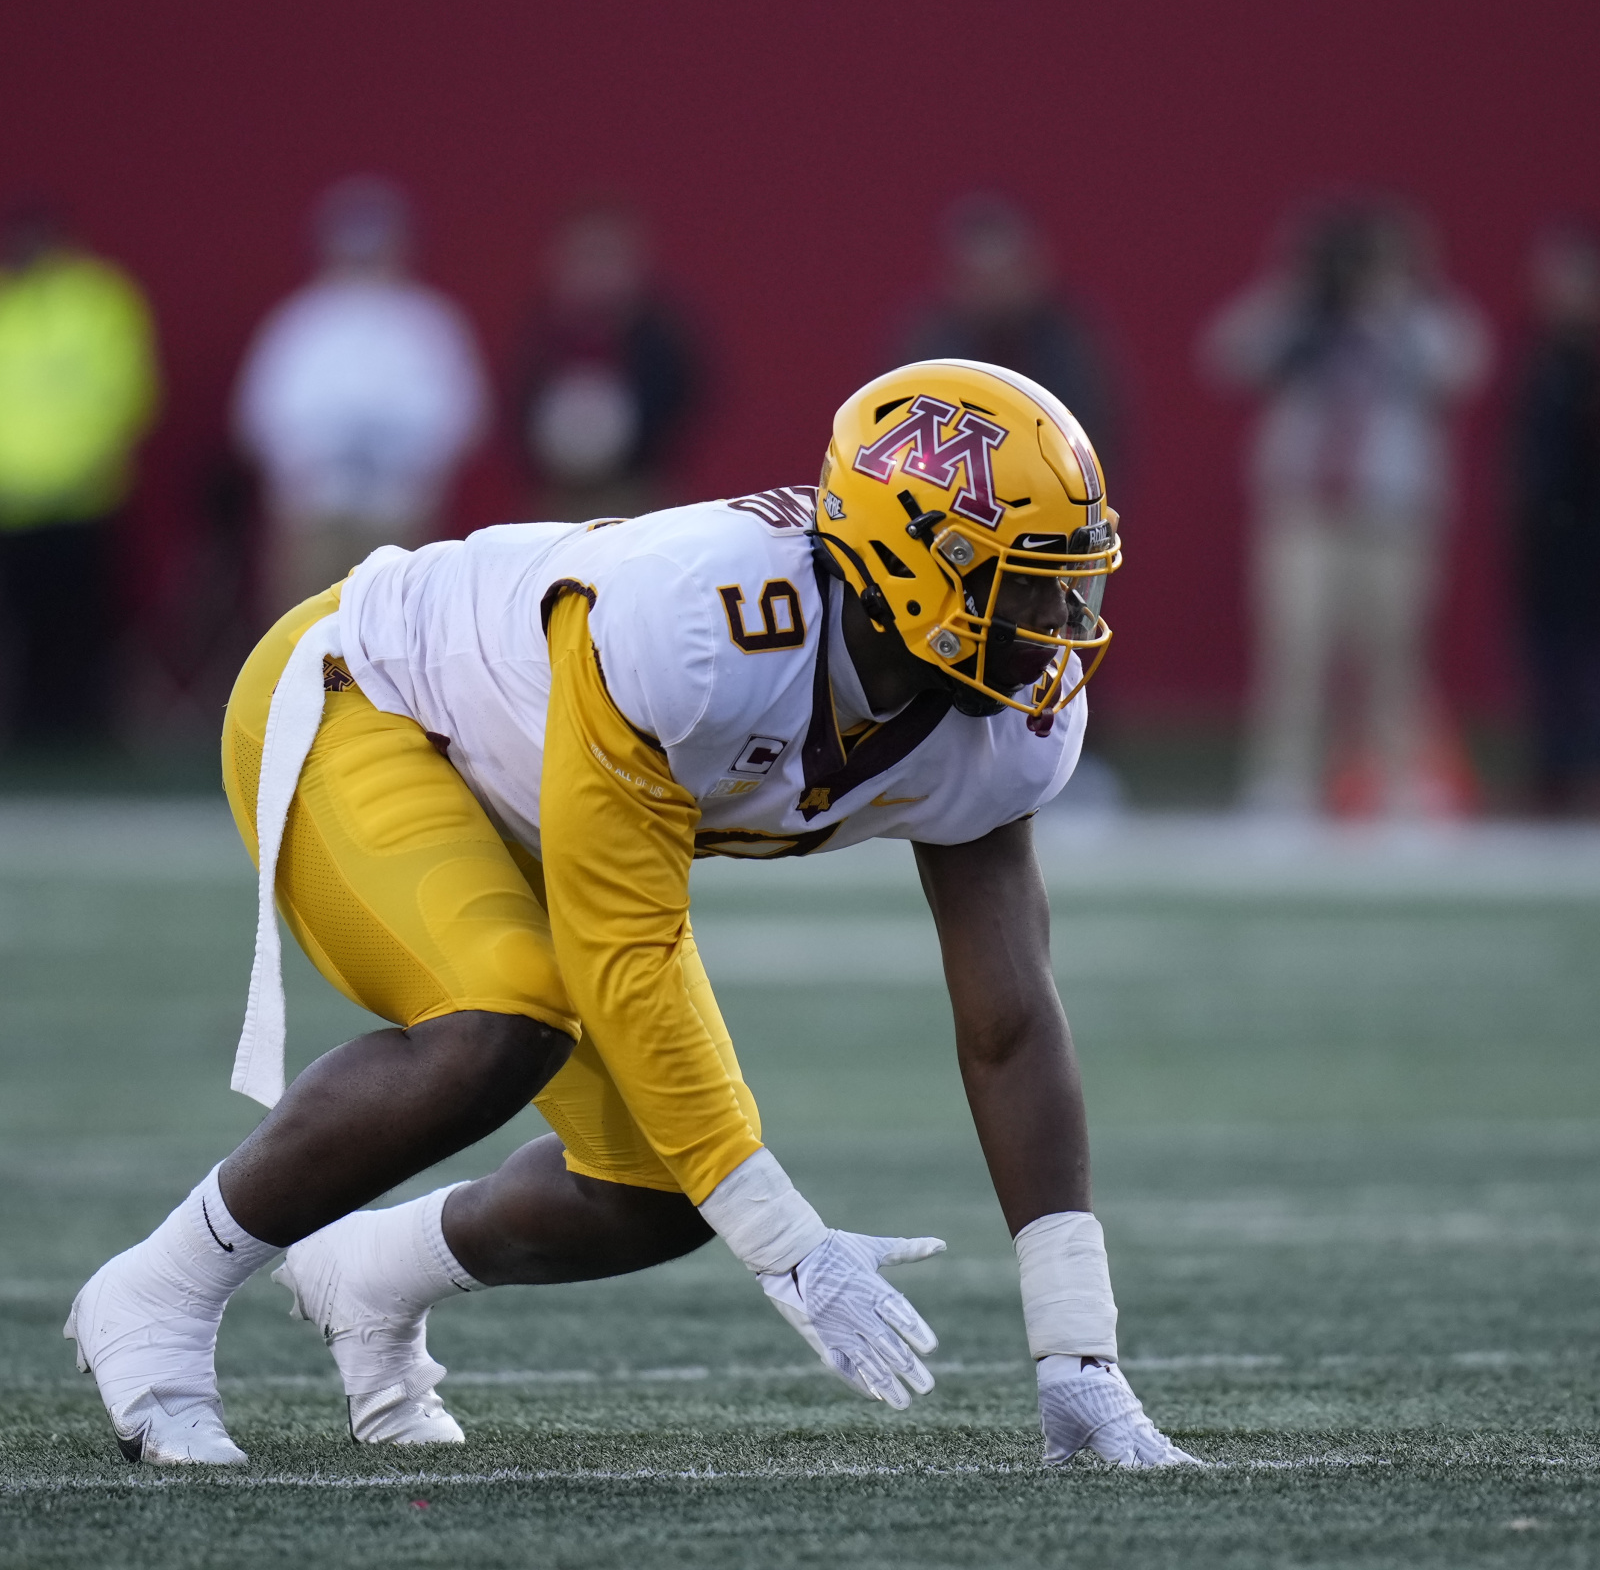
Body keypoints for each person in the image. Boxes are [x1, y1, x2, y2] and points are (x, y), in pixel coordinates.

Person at [65, 360, 1195, 1472]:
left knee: (660, 1192)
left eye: (1066, 581)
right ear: (912, 568)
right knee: (507, 1016)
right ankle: (157, 1289)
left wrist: (1076, 1352)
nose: (1058, 622)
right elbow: (624, 948)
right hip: (375, 702)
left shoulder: (1002, 725)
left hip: (546, 803)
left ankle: (371, 1274)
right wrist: (788, 1245)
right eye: (1026, 581)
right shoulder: (700, 625)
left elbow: (1010, 1017)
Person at [1201, 201, 1491, 818]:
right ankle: (1281, 781)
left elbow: (1462, 364)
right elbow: (1229, 355)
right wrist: (1302, 297)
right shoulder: (1304, 317)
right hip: (1306, 509)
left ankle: (1401, 781)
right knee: (1296, 645)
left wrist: (1390, 311)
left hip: (1391, 514)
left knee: (1394, 651)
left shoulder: (1418, 320)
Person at [233, 177, 489, 618]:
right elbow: (261, 416)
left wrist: (411, 470)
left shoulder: (429, 323)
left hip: (399, 511)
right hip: (316, 511)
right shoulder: (300, 322)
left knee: (401, 630)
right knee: (305, 629)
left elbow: (462, 415)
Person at [0, 202, 160, 746]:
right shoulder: (8, 304)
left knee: (78, 624)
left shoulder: (97, 301)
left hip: (81, 498)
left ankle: (80, 732)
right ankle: (23, 732)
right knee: (19, 628)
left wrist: (85, 463)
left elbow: (125, 389)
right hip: (12, 503)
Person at [898, 195, 1117, 474]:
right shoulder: (928, 348)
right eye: (980, 274)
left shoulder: (1071, 347)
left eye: (1004, 271)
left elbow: (1094, 443)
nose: (995, 287)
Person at [515, 199, 699, 519]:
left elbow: (687, 396)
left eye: (606, 257)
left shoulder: (658, 335)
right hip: (560, 496)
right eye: (586, 257)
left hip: (636, 494)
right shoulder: (543, 336)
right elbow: (516, 403)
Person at [1510, 225, 1600, 815]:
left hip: (1590, 523)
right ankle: (1558, 770)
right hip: (1549, 531)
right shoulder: (1544, 353)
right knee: (1550, 654)